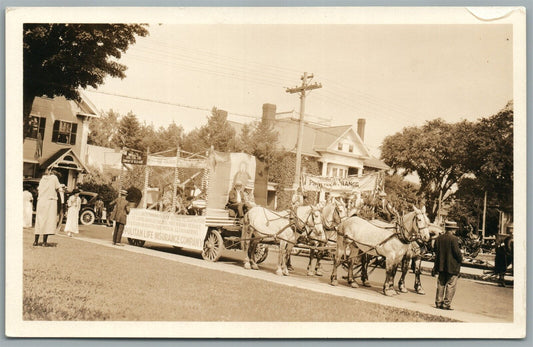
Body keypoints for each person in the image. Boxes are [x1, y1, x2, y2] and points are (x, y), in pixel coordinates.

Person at [432, 220, 463, 310]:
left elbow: (435, 250)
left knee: (441, 283)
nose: (455, 231)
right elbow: (457, 253)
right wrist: (461, 259)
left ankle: (438, 302)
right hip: (452, 266)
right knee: (451, 285)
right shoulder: (454, 239)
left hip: (441, 265)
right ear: (452, 230)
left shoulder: (439, 238)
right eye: (455, 229)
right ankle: (446, 304)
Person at [34, 169, 63, 246]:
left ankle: (35, 241)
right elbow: (59, 188)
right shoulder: (54, 178)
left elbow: (38, 189)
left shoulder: (42, 179)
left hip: (41, 202)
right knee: (48, 221)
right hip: (49, 201)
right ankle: (44, 242)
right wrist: (62, 187)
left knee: (39, 220)